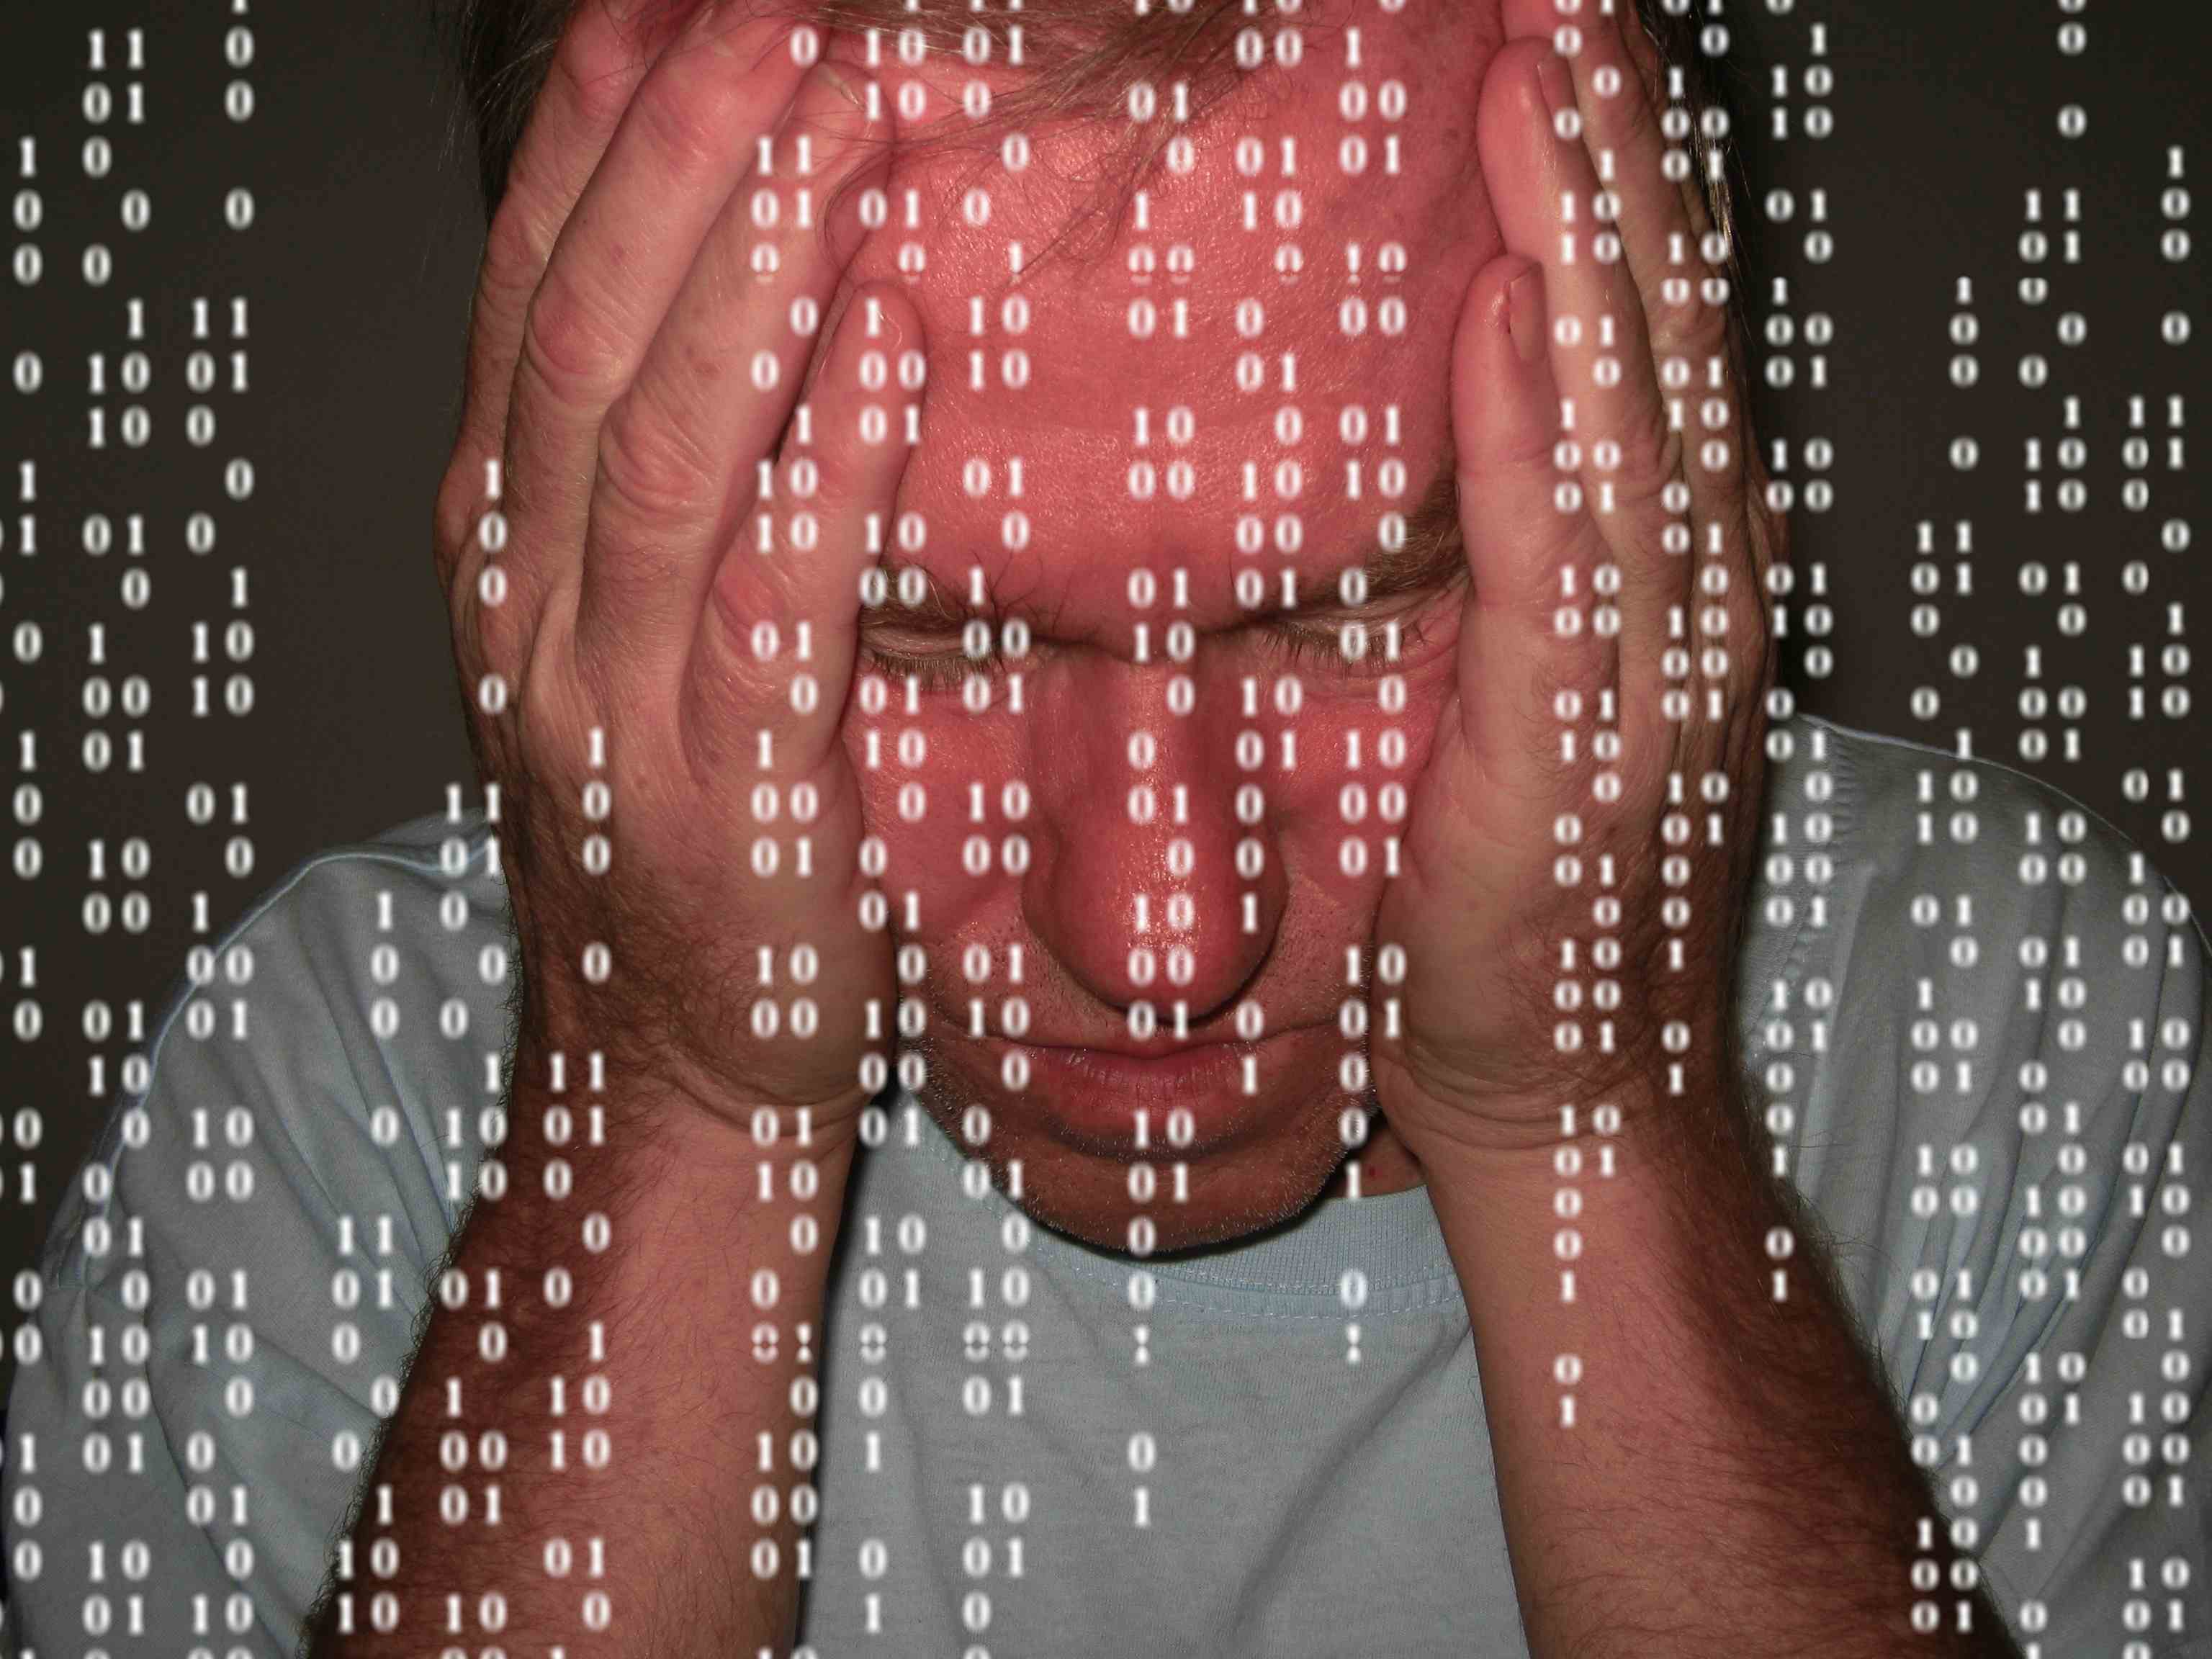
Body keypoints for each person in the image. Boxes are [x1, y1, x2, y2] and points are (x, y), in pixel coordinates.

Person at [6, 0, 2207, 1655]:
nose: (1165, 936)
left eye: (1346, 607)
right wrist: (675, 1090)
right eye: (927, 642)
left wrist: (1587, 1120)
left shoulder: (2041, 1048)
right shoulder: (328, 1086)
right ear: (577, 497)